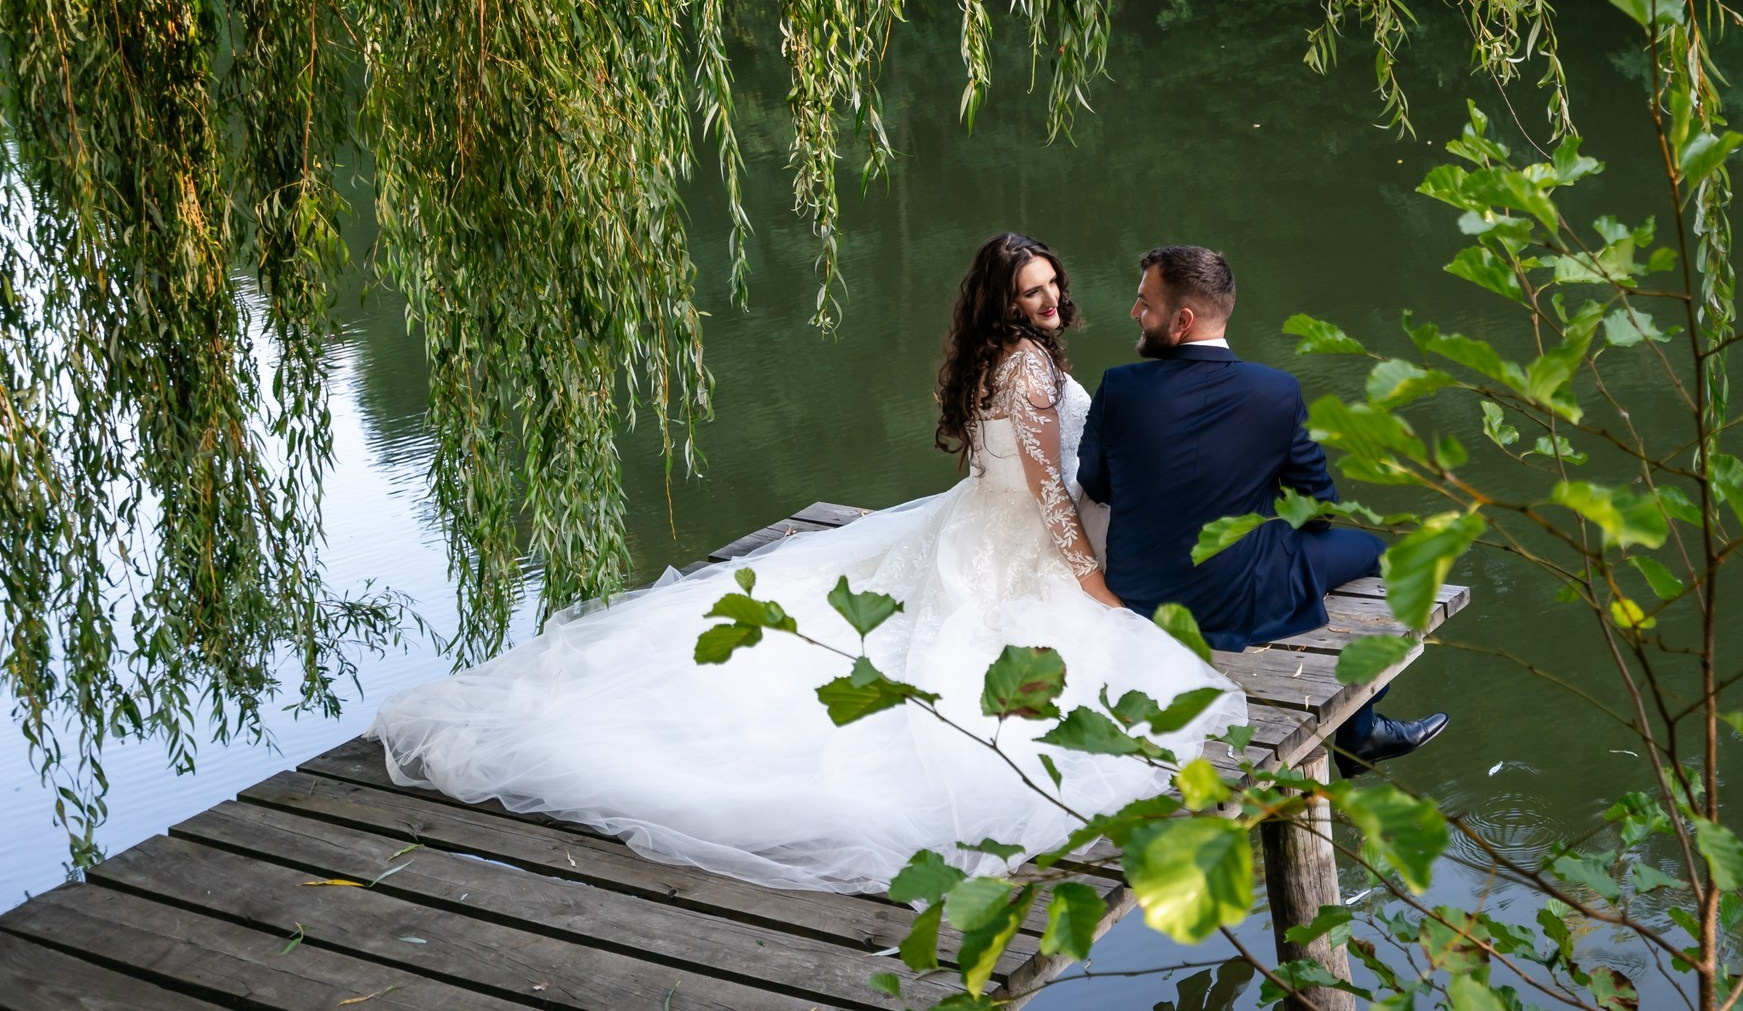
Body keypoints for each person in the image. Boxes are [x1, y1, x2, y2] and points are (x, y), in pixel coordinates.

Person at [366, 233, 1244, 895]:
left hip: (978, 519)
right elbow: (1049, 489)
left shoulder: (1005, 356)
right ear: (1005, 303)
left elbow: (1004, 466)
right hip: (1013, 539)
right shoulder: (1026, 365)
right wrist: (1092, 581)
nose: (1053, 299)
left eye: (1052, 283)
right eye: (1033, 291)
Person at [1077, 244, 1450, 768]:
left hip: (1141, 596)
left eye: (1145, 303)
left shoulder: (1119, 387)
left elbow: (1094, 483)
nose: (1135, 313)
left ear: (1182, 320)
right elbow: (1319, 510)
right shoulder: (1276, 391)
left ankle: (1360, 731)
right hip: (1237, 602)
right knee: (1374, 552)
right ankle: (1360, 730)